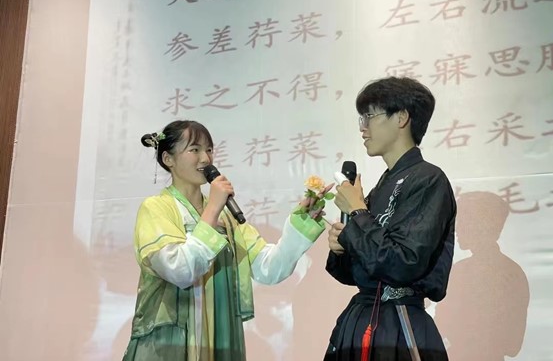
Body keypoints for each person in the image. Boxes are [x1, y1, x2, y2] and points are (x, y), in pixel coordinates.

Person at [122, 119, 332, 361]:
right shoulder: (157, 208)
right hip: (171, 342)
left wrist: (300, 224)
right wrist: (213, 208)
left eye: (209, 150)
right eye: (194, 150)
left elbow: (269, 268)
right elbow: (179, 270)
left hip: (222, 336)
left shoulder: (226, 216)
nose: (205, 159)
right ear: (168, 159)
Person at [324, 77, 457, 361]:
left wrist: (358, 212)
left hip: (399, 325)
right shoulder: (381, 185)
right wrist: (341, 246)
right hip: (360, 319)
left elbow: (403, 262)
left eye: (369, 116)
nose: (363, 128)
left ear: (401, 118)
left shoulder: (429, 179)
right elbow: (352, 274)